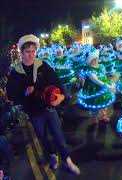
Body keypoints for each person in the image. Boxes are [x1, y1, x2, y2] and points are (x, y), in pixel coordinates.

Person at [6, 35, 80, 174]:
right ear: (21, 53)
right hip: (34, 112)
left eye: (33, 51)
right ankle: (52, 155)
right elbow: (12, 94)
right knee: (43, 138)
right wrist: (24, 94)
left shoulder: (43, 65)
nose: (31, 54)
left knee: (58, 136)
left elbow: (55, 81)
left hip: (49, 108)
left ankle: (67, 160)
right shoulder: (16, 72)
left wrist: (62, 96)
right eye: (28, 51)